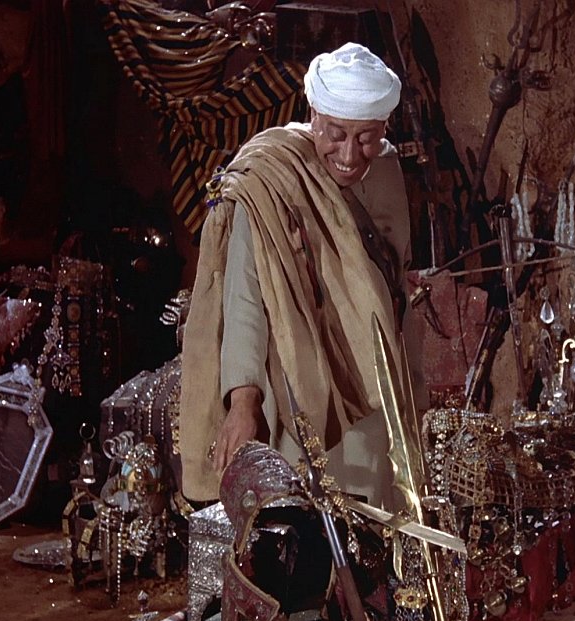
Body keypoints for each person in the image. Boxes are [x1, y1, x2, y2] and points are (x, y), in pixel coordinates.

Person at [180, 42, 424, 509]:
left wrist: (413, 388)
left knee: (380, 521)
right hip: (299, 393)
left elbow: (393, 287)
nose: (349, 154)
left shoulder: (389, 171)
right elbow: (245, 297)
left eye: (366, 137)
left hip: (377, 391)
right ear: (313, 115)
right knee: (305, 525)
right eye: (336, 134)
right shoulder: (270, 176)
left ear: (384, 129)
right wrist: (243, 402)